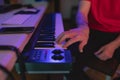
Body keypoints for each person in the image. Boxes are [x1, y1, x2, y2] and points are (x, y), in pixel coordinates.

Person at [56, 0, 120, 80]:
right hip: (91, 31)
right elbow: (82, 12)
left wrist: (113, 46)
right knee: (66, 59)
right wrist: (83, 27)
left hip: (118, 36)